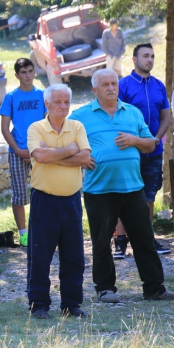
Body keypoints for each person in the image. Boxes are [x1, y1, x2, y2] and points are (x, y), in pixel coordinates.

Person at [68, 69, 174, 303]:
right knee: (101, 241)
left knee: (144, 238)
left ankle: (154, 288)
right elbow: (64, 143)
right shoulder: (80, 116)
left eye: (114, 83)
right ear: (94, 90)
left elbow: (150, 144)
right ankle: (105, 289)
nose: (111, 88)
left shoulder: (132, 113)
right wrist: (79, 159)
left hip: (133, 187)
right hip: (99, 190)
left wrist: (134, 140)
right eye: (105, 84)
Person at [26, 84, 92, 319]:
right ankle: (39, 304)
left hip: (72, 201)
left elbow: (85, 157)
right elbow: (39, 156)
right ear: (47, 104)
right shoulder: (36, 128)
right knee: (39, 255)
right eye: (58, 102)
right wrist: (70, 150)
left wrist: (54, 156)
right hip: (44, 200)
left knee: (74, 256)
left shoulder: (77, 126)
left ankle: (71, 304)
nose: (63, 106)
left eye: (66, 102)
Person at [113, 43, 171, 257]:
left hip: (154, 151)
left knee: (149, 196)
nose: (150, 60)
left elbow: (166, 116)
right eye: (146, 56)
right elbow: (116, 116)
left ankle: (148, 239)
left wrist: (155, 140)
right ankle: (120, 241)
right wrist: (134, 141)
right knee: (124, 194)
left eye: (153, 56)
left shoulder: (158, 86)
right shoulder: (123, 85)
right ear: (135, 60)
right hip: (129, 151)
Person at [0, 58, 46, 247]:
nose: (27, 75)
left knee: (42, 192)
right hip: (17, 149)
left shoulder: (43, 95)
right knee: (19, 195)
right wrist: (17, 149)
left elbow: (48, 123)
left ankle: (41, 229)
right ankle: (24, 233)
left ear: (34, 72)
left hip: (40, 151)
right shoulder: (11, 97)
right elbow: (4, 128)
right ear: (17, 75)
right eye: (23, 72)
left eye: (30, 71)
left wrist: (41, 148)